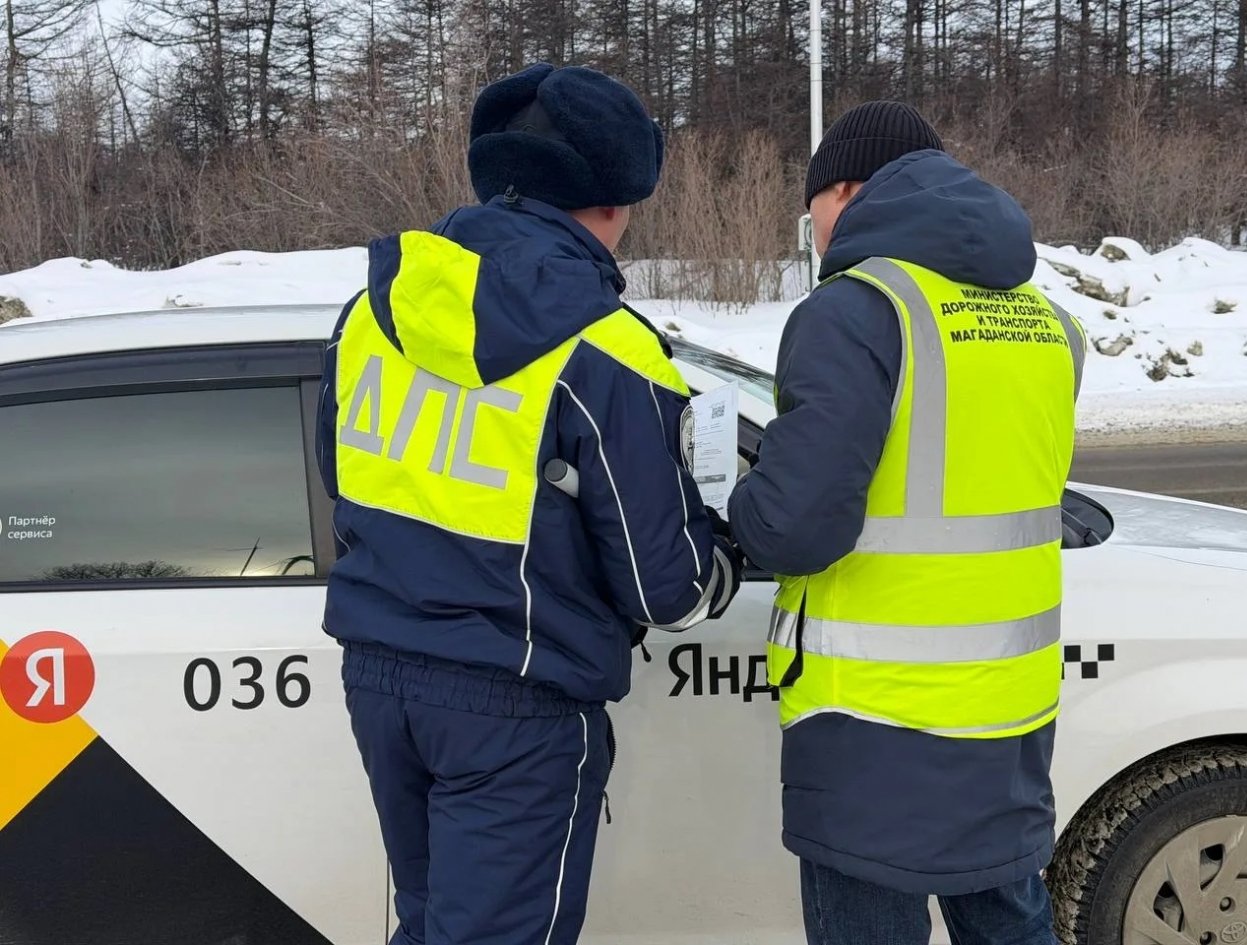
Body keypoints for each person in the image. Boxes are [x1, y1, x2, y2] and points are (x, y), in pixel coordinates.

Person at [316, 63, 742, 945]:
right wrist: (728, 562)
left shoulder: (371, 315)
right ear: (618, 203)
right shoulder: (607, 349)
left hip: (380, 677)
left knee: (435, 924)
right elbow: (667, 587)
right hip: (512, 702)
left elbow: (344, 477)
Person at [727, 101, 1086, 945]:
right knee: (1007, 923)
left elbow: (793, 528)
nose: (811, 230)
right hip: (1009, 713)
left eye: (810, 205)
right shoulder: (1048, 323)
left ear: (845, 191)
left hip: (875, 726)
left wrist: (738, 494)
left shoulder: (854, 310)